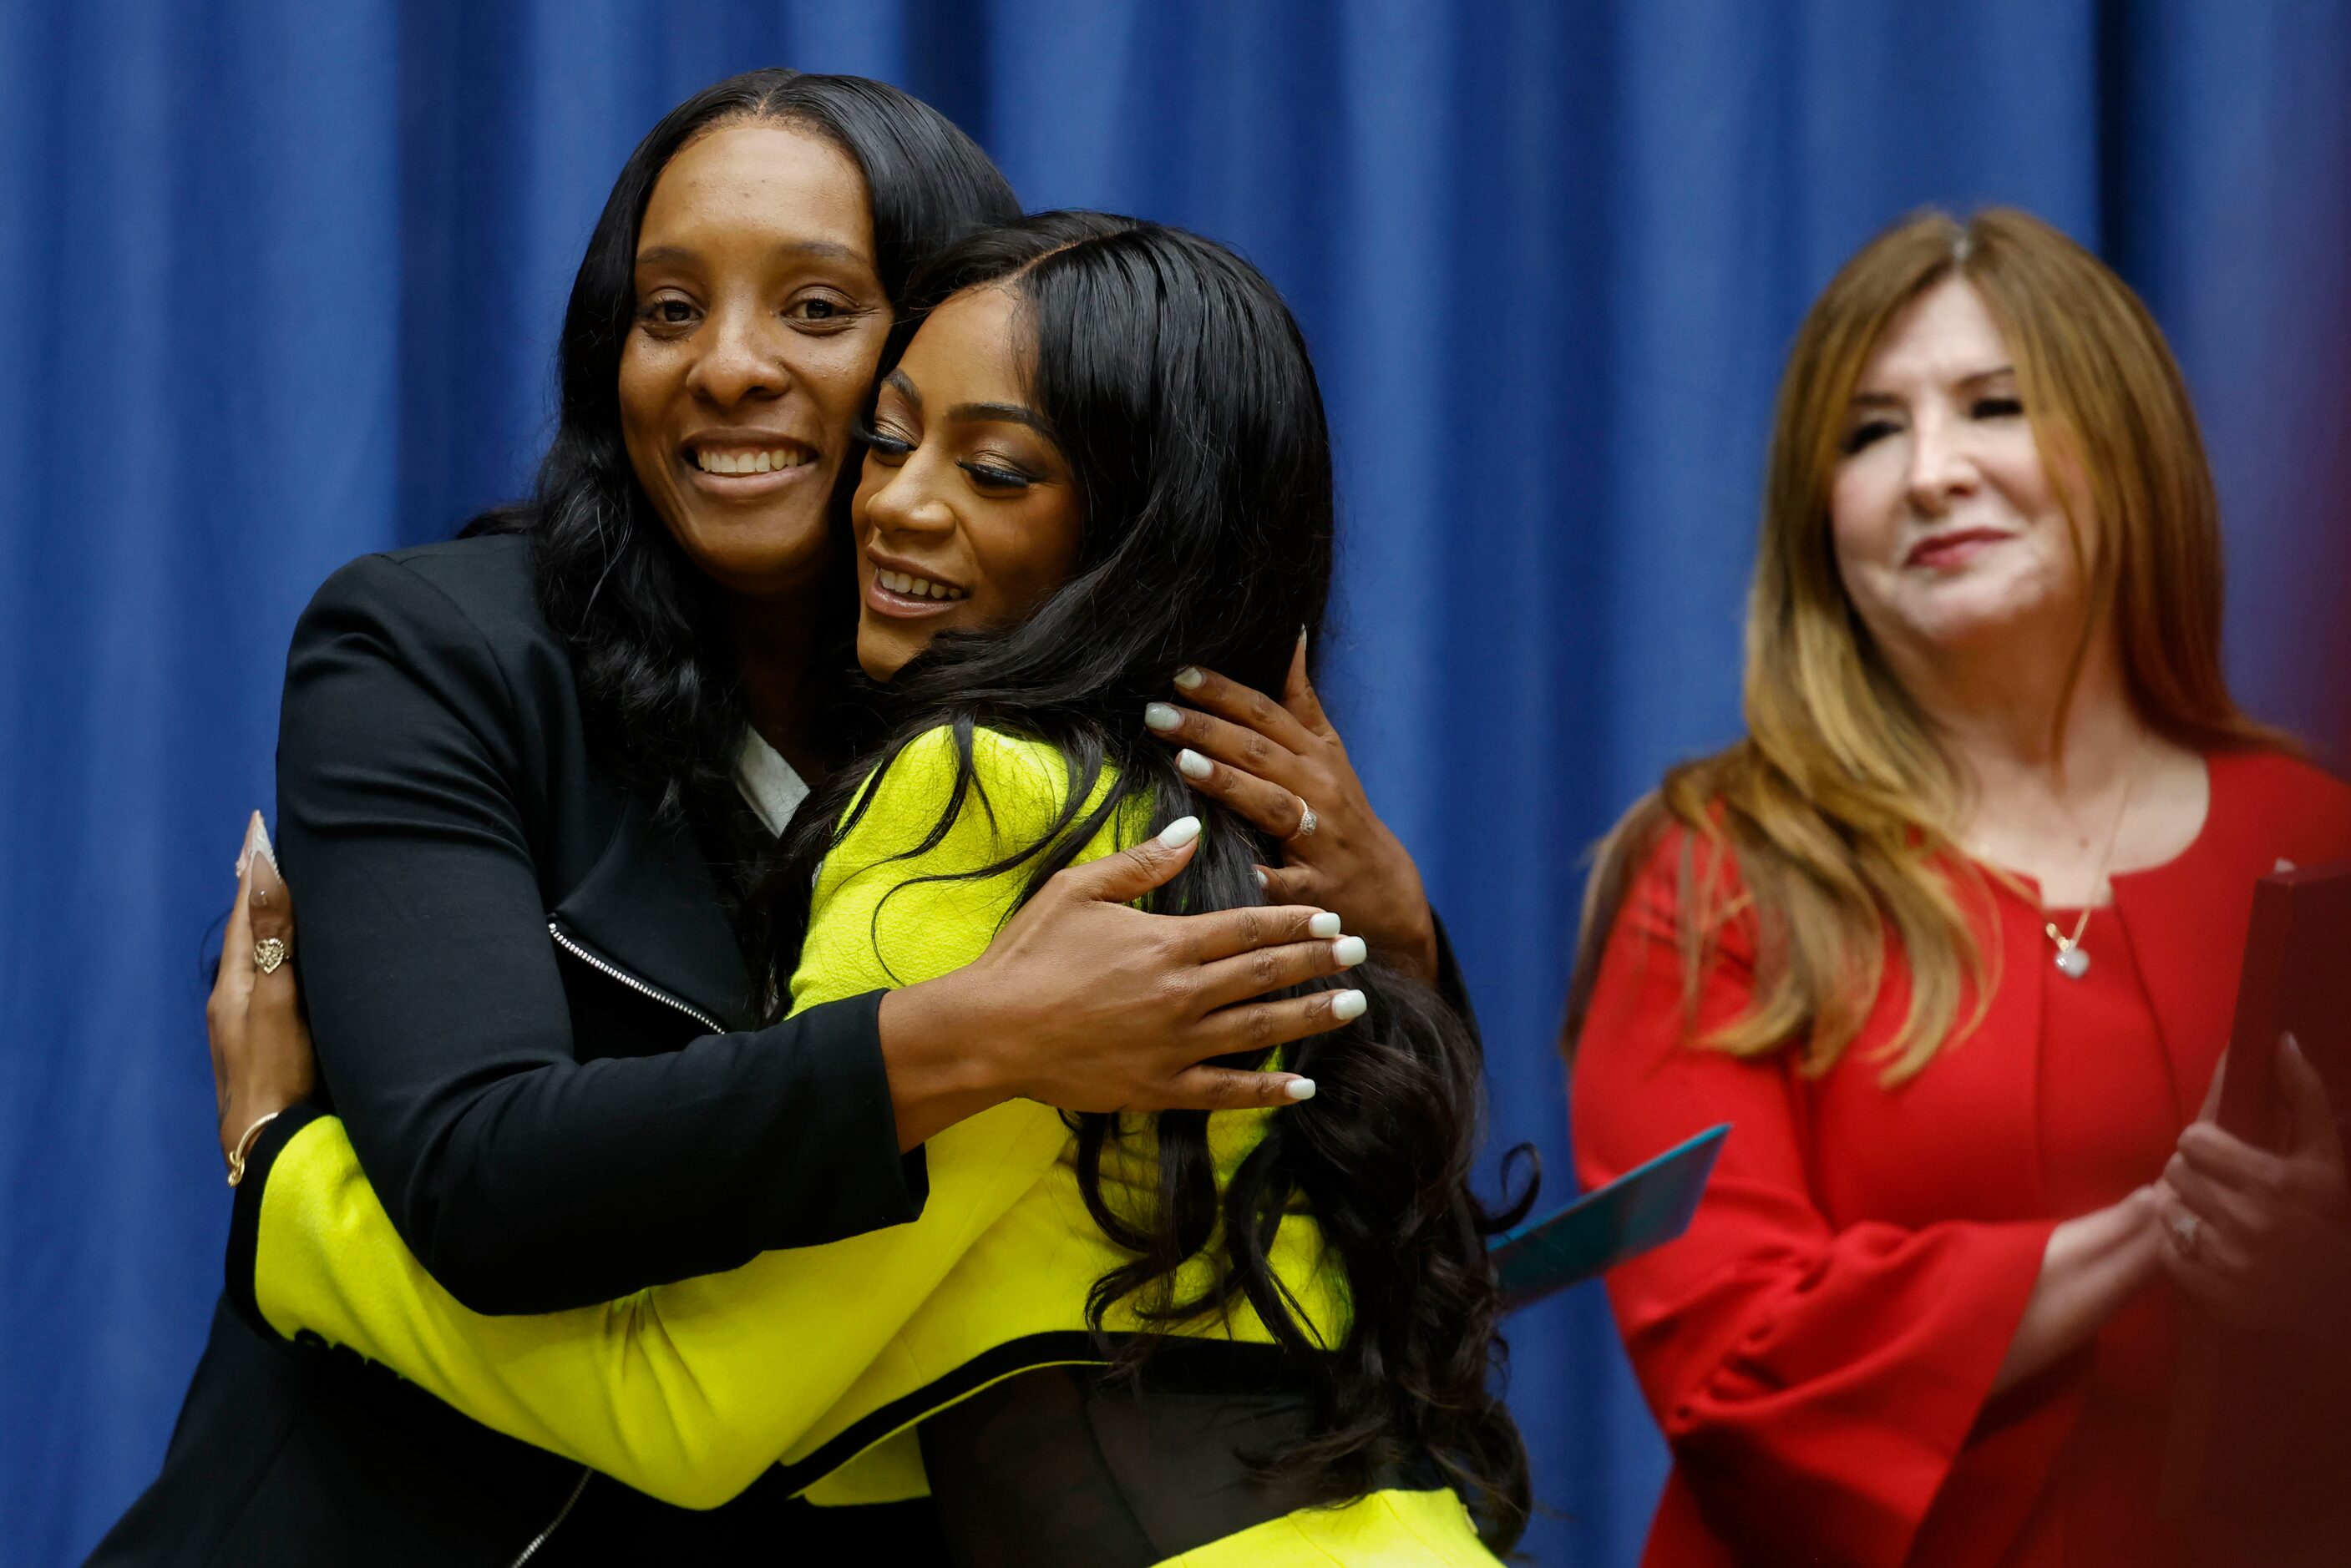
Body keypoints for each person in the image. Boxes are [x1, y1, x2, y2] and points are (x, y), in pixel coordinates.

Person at [96, 73, 1431, 1568]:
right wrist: (966, 1037)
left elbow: (1316, 1190)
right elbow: (480, 1172)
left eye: (814, 309)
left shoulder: (1023, 755)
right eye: (668, 310)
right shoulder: (433, 647)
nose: (725, 366)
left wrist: (1399, 933)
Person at [1566, 206, 2351, 1567]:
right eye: (1869, 433)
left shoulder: (2317, 835)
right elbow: (1735, 1353)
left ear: (2129, 441)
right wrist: (2159, 1232)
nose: (1930, 473)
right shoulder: (1717, 867)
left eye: (1993, 407)